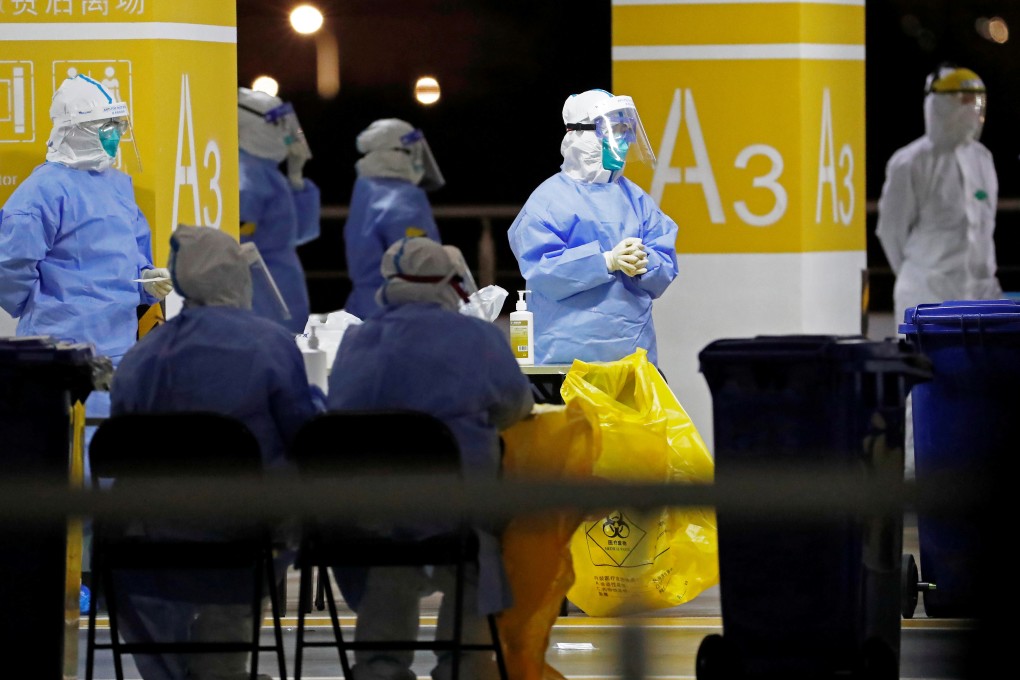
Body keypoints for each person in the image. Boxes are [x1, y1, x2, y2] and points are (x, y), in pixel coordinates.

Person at [108, 224, 325, 680]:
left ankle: (175, 672)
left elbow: (120, 443)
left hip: (151, 540)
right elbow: (304, 438)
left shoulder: (140, 359)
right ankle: (219, 668)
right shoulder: (269, 345)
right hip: (243, 536)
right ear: (236, 276)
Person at [327, 236, 534, 680]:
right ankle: (467, 663)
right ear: (450, 283)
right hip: (460, 514)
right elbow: (516, 407)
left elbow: (338, 418)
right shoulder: (477, 338)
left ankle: (379, 667)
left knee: (390, 564)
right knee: (478, 559)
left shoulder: (357, 342)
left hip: (372, 520)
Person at [0, 74, 171, 605]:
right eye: (104, 128)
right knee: (71, 470)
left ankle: (103, 571)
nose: (114, 138)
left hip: (117, 349)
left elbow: (133, 251)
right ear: (74, 129)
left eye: (117, 128)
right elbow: (10, 266)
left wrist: (147, 280)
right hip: (62, 351)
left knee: (110, 470)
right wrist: (43, 307)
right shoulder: (42, 190)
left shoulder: (117, 186)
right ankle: (68, 578)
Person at [507, 88, 679, 367]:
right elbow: (542, 271)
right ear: (577, 134)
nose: (620, 140)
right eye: (611, 130)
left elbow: (665, 264)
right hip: (562, 358)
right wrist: (606, 261)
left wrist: (646, 262)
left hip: (633, 358)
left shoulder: (635, 200)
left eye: (625, 130)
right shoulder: (547, 201)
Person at [877, 63, 1002, 325]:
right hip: (926, 297)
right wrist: (922, 274)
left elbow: (984, 226)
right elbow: (891, 231)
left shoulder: (982, 159)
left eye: (976, 102)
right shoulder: (910, 163)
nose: (972, 110)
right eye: (964, 101)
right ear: (942, 104)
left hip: (980, 297)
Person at [341, 118, 445, 320]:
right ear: (398, 154)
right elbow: (421, 266)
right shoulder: (405, 198)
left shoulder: (364, 190)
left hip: (364, 306)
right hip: (402, 310)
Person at [238, 86, 321, 334]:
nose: (286, 134)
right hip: (260, 292)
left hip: (281, 285)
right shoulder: (247, 177)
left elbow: (302, 232)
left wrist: (296, 177)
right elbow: (239, 244)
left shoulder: (267, 172)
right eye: (277, 124)